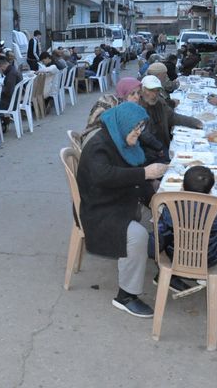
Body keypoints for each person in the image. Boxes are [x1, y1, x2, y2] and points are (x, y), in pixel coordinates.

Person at [76, 102, 169, 318]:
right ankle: (126, 296)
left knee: (165, 213)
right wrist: (145, 174)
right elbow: (104, 176)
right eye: (135, 128)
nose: (139, 133)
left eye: (141, 128)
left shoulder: (121, 140)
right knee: (137, 236)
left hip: (118, 198)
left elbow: (135, 172)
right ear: (123, 124)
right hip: (99, 208)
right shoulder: (99, 144)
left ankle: (168, 268)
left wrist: (154, 201)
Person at [148, 166, 217, 291]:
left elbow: (161, 233)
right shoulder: (216, 210)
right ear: (211, 191)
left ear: (182, 187)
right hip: (210, 258)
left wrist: (153, 249)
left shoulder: (171, 207)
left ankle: (170, 275)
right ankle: (201, 275)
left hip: (177, 257)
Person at [138, 75, 203, 163]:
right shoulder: (138, 108)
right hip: (149, 152)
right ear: (142, 91)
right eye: (151, 90)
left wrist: (195, 122)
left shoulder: (160, 103)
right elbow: (144, 135)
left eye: (157, 90)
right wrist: (159, 148)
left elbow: (173, 117)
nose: (154, 94)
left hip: (164, 146)